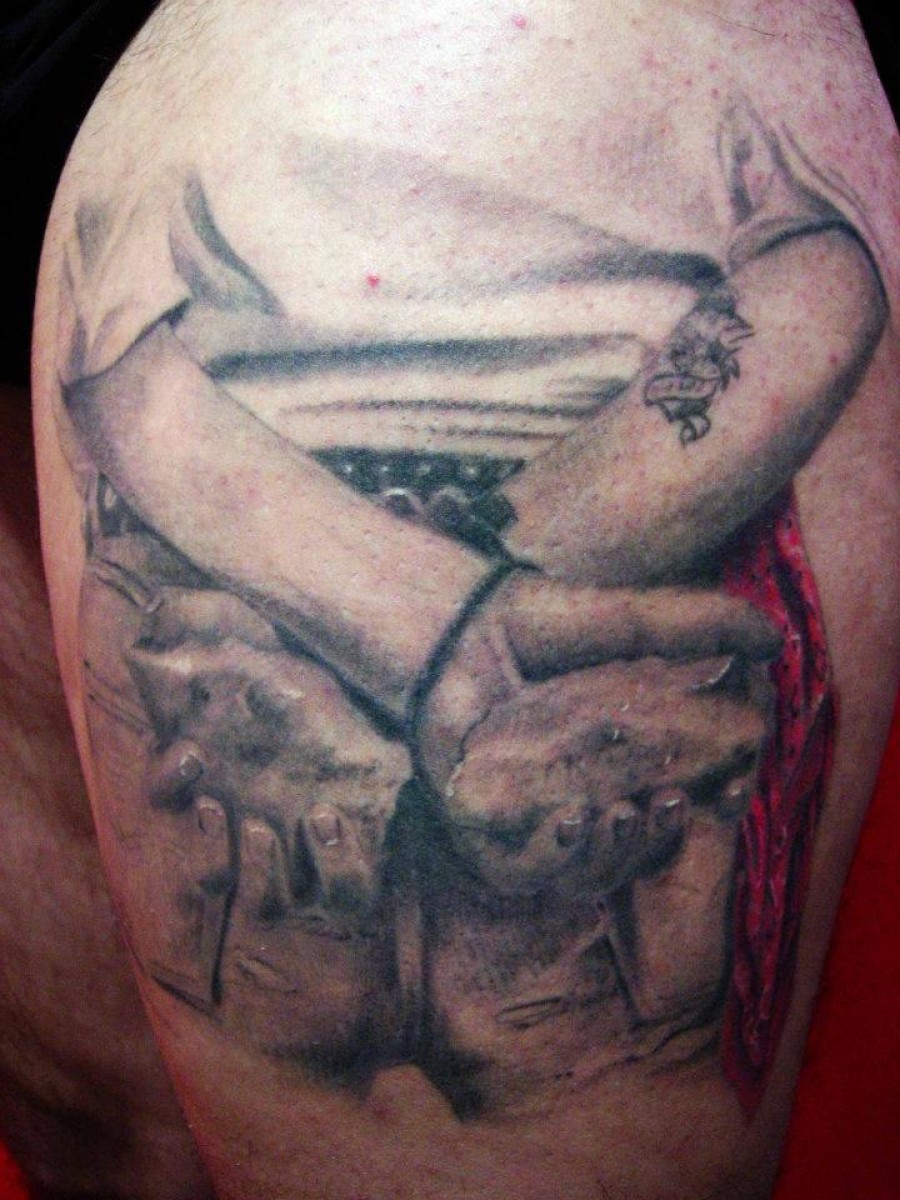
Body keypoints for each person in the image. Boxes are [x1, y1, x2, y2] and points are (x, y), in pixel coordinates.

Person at [4, 1, 899, 1195]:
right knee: (117, 1131)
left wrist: (482, 575)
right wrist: (443, 611)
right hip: (266, 612)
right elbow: (116, 375)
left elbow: (826, 283)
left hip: (524, 609)